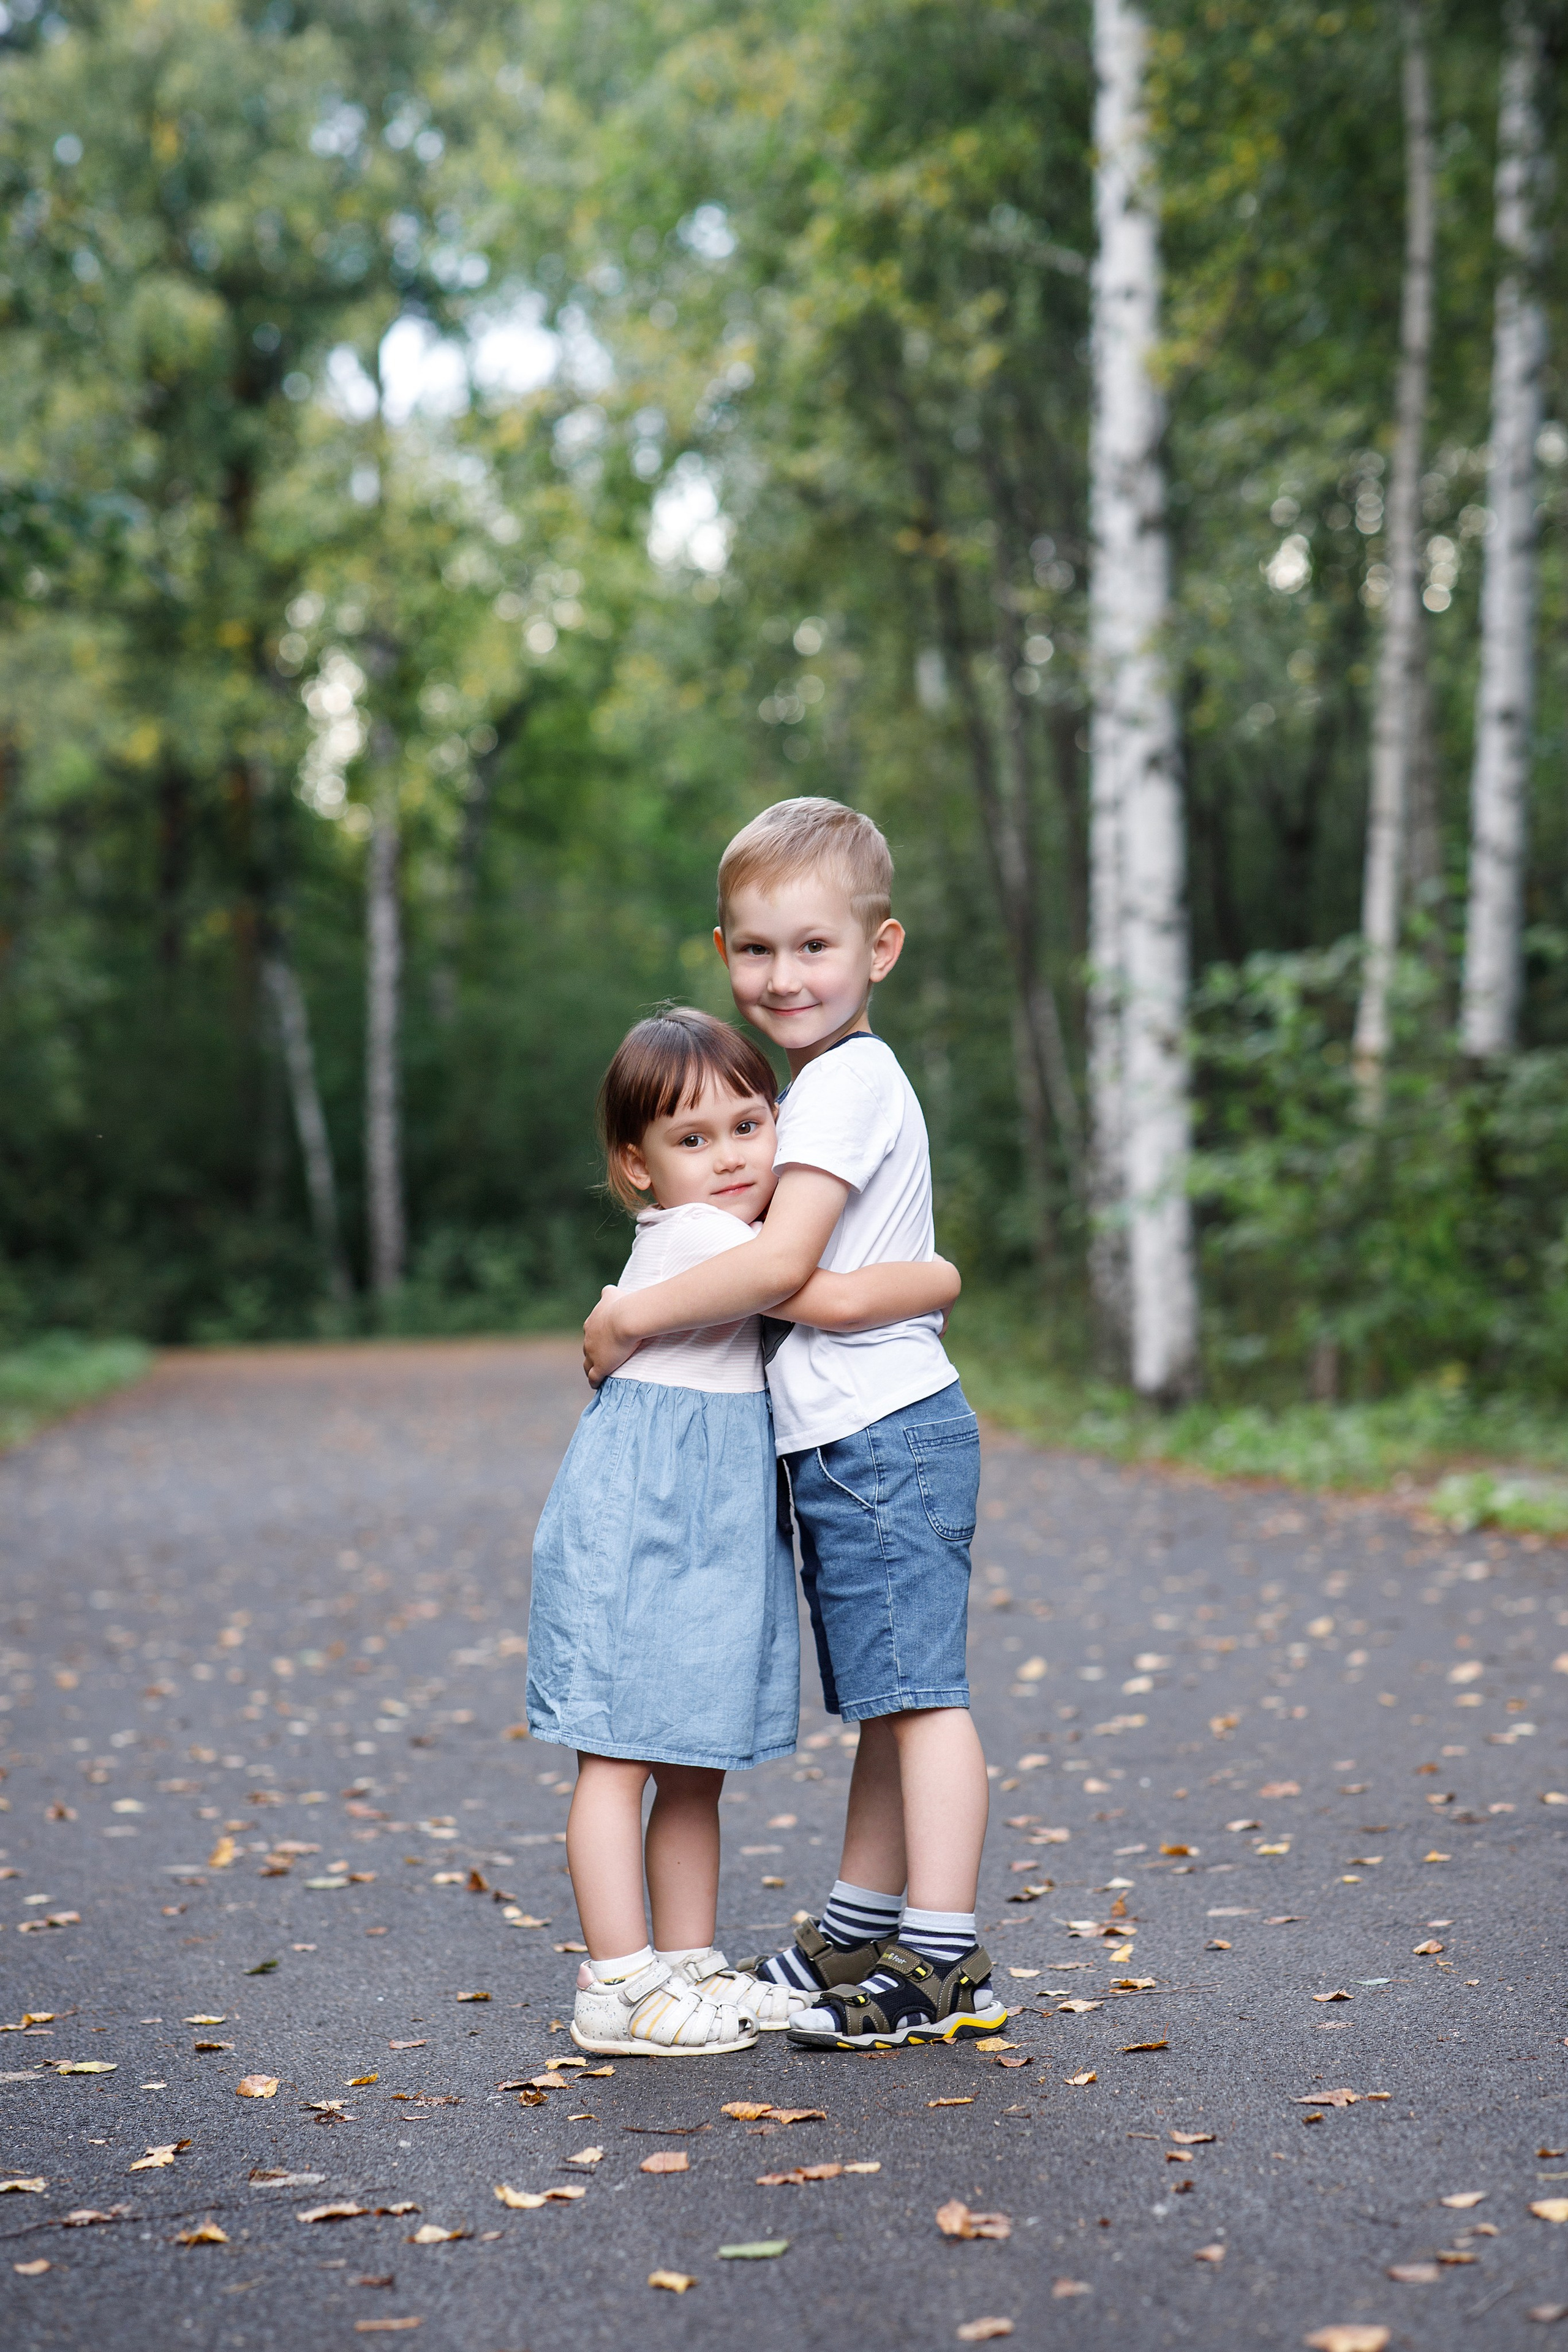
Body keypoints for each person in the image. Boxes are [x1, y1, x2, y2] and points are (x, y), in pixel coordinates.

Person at [582, 800, 1005, 2052]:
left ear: (878, 951)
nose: (784, 976)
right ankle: (858, 1927)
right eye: (757, 951)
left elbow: (776, 1268)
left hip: (882, 1436)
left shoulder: (843, 1089)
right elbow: (807, 1267)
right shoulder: (816, 1090)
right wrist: (909, 1279)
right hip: (850, 1442)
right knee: (885, 1691)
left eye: (813, 948)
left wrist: (628, 1322)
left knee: (919, 1697)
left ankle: (943, 1958)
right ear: (723, 952)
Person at [529, 1005, 962, 2057]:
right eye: (691, 1141)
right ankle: (619, 1981)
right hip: (642, 1524)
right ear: (637, 1168)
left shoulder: (720, 1237)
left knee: (690, 1761)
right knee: (619, 1759)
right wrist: (943, 1276)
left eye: (747, 1127)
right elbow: (825, 1290)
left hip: (701, 1525)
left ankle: (685, 1966)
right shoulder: (713, 1242)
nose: (728, 1158)